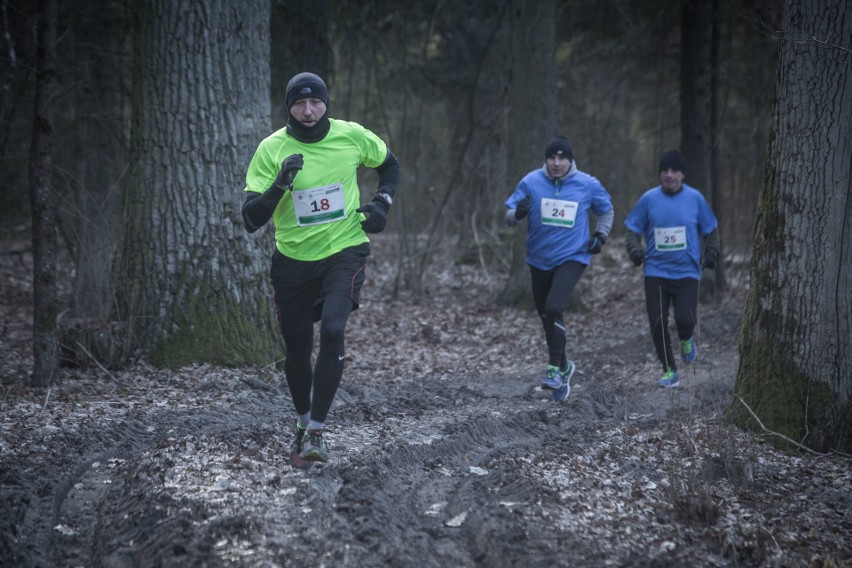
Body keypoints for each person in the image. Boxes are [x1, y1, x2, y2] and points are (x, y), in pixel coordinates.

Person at [240, 72, 400, 468]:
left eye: (315, 102)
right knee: (297, 350)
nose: (308, 111)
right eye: (299, 103)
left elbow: (390, 165)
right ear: (288, 106)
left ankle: (317, 432)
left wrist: (382, 203)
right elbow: (250, 218)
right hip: (292, 262)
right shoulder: (271, 148)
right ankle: (302, 422)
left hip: (343, 250)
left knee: (332, 329)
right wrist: (280, 184)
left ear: (326, 103)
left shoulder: (350, 136)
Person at [505, 135, 614, 402]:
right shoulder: (531, 181)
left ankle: (553, 369)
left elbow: (606, 210)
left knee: (554, 308)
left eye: (561, 158)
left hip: (573, 257)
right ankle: (565, 367)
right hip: (538, 259)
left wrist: (600, 236)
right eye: (551, 158)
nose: (556, 163)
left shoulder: (587, 184)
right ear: (546, 160)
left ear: (570, 159)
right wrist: (519, 213)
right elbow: (509, 216)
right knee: (546, 316)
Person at [623, 149, 720, 388]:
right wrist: (635, 252)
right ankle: (669, 370)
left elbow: (712, 230)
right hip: (655, 272)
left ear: (682, 175)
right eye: (664, 171)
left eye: (674, 171)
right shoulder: (648, 199)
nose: (669, 175)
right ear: (659, 175)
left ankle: (686, 338)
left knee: (684, 319)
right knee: (657, 322)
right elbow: (632, 232)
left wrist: (710, 254)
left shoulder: (695, 199)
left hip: (686, 272)